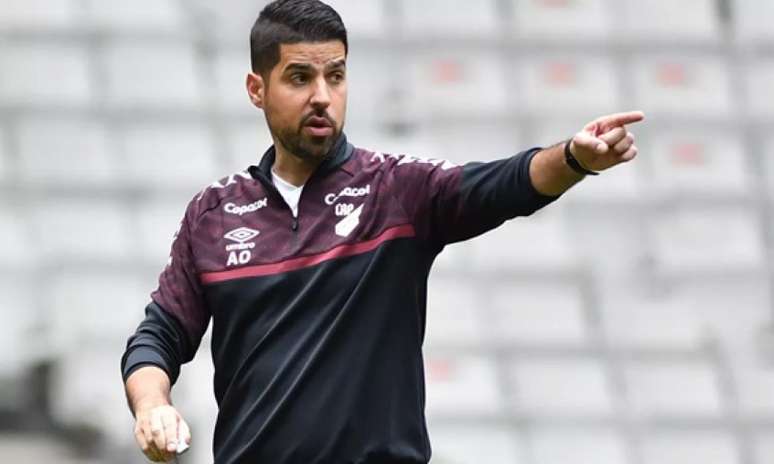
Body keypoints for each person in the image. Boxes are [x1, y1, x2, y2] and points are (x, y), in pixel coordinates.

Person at [120, 0, 644, 462]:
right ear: (257, 89)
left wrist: (574, 158)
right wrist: (152, 407)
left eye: (336, 76)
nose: (322, 96)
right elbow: (158, 336)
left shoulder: (397, 191)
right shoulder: (214, 214)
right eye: (300, 78)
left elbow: (504, 185)